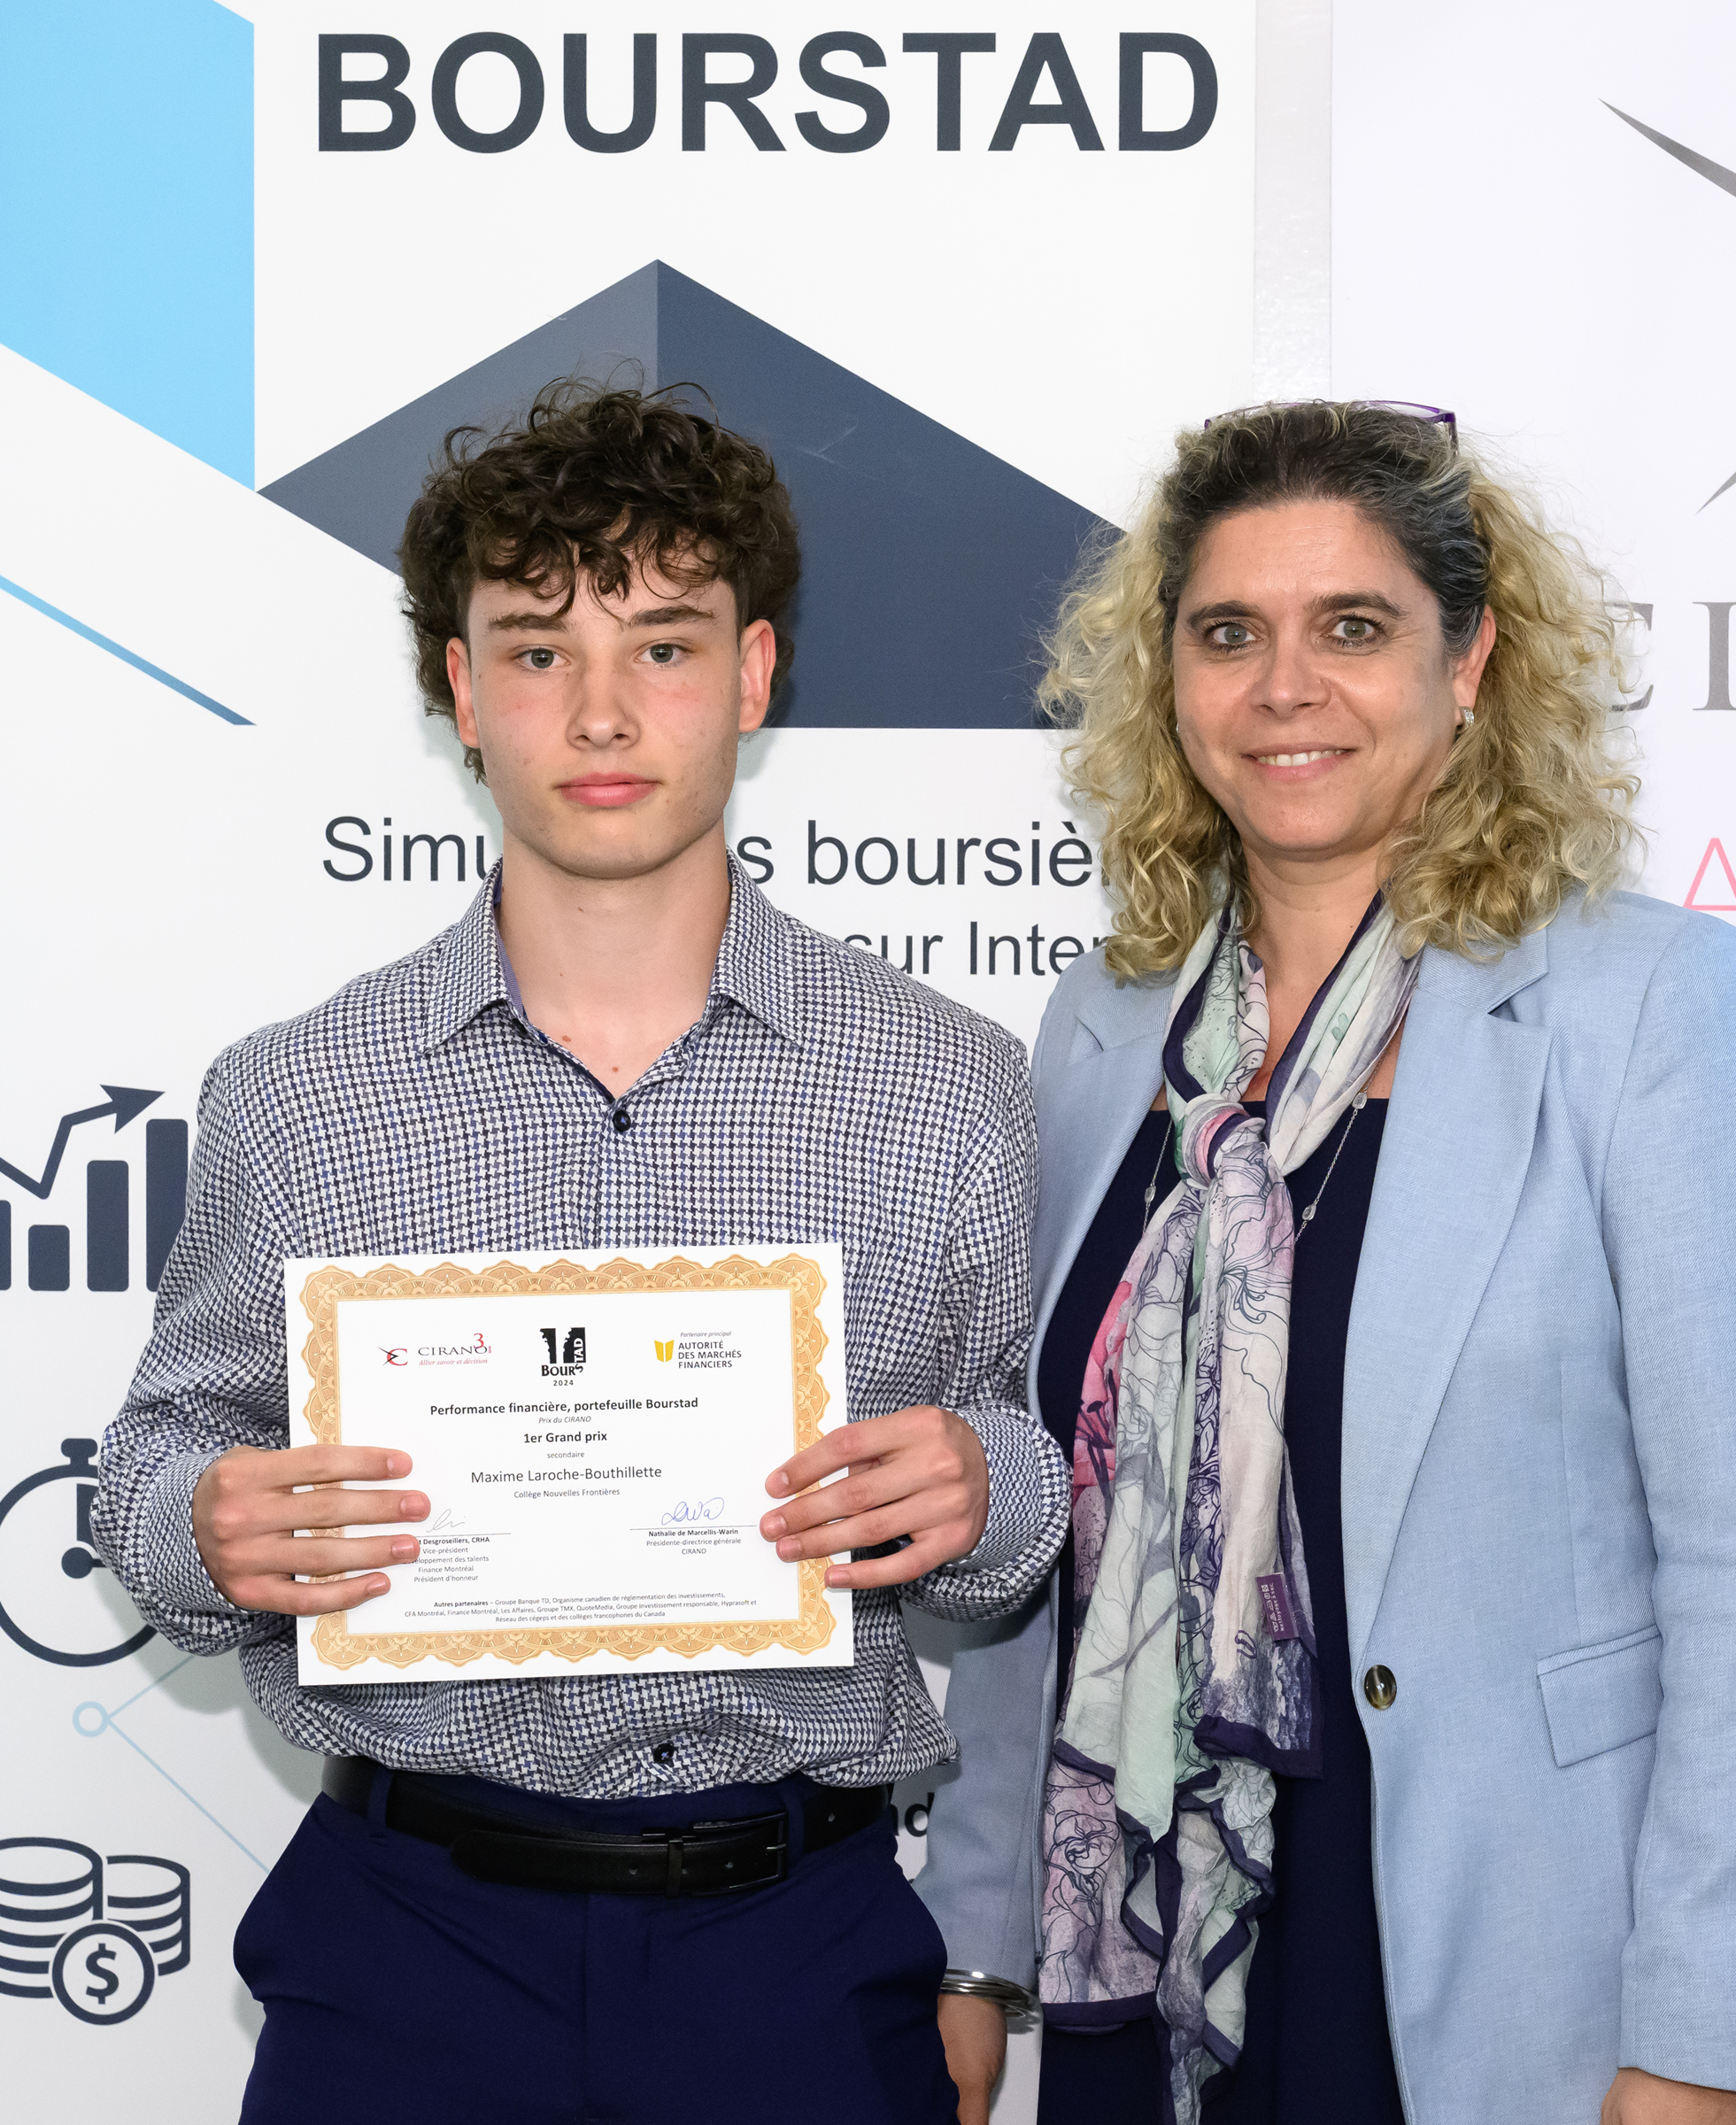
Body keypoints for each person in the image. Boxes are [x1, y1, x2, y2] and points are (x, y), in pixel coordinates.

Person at [918, 402, 1736, 2125]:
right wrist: (974, 1941)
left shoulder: (1643, 1010)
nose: (1284, 687)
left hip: (1525, 1961)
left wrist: (1700, 2049)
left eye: (1353, 627)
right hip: (1147, 1953)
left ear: (1469, 663)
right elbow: (1058, 1539)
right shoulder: (1105, 1027)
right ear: (1170, 681)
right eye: (1228, 634)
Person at [93, 380, 1068, 2125]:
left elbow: (1019, 1528)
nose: (602, 711)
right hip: (407, 1948)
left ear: (754, 676)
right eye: (538, 652)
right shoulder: (299, 1095)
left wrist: (989, 1489)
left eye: (664, 648)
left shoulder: (950, 1088)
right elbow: (157, 1468)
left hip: (797, 1947)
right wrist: (206, 1523)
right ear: (461, 691)